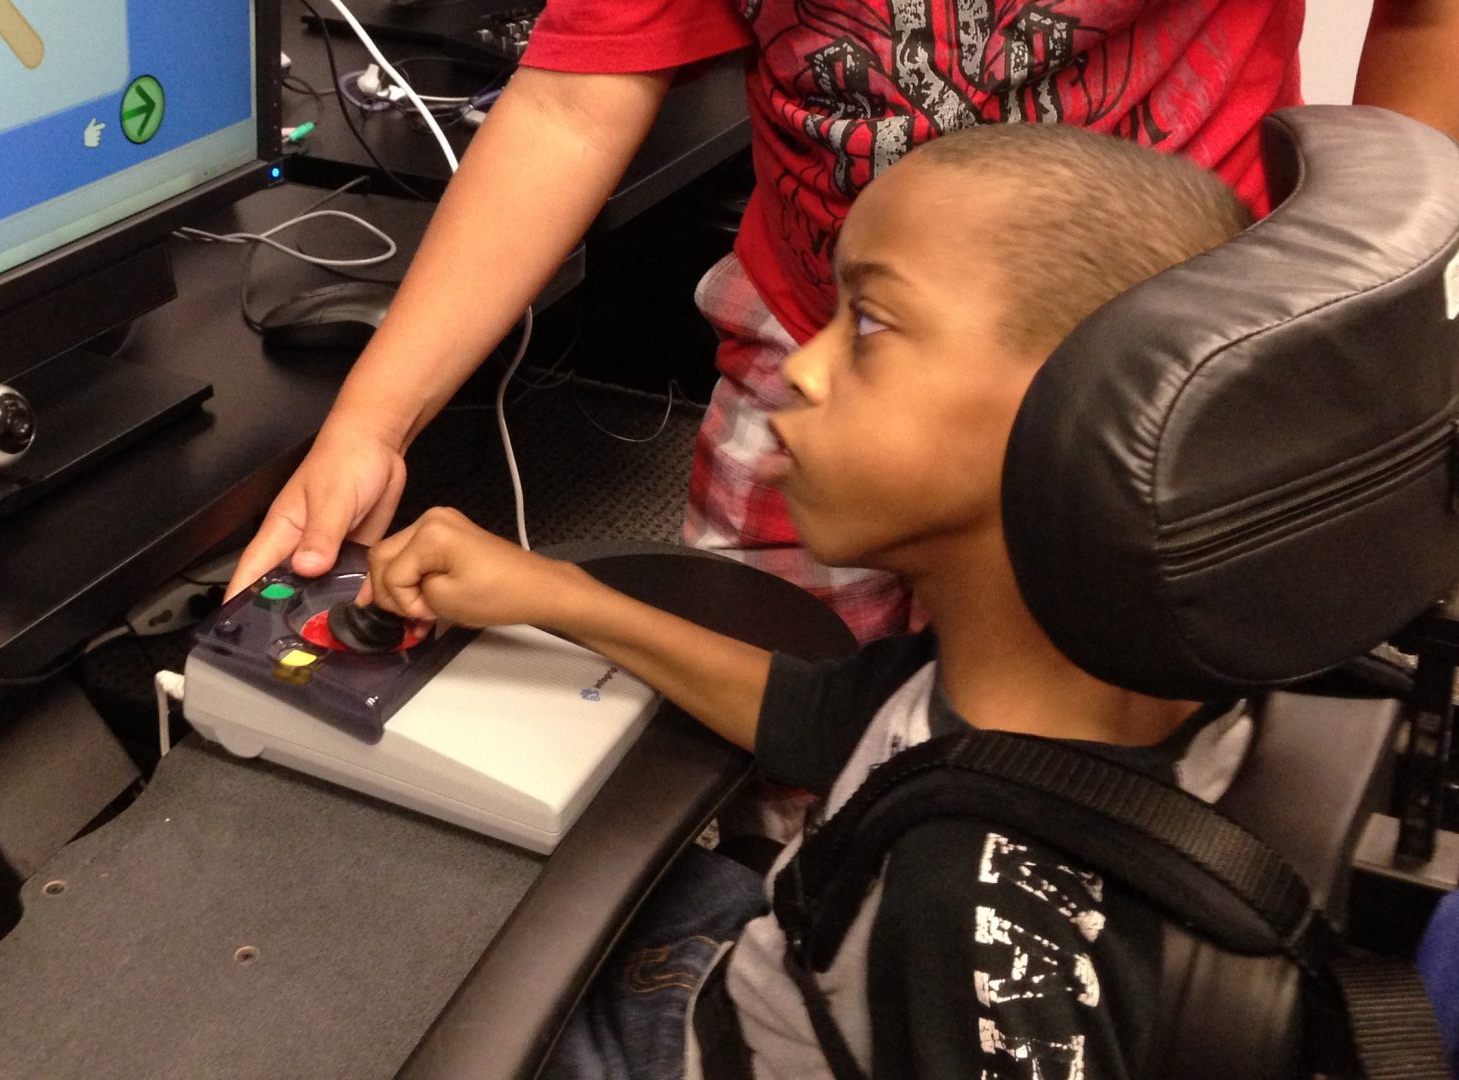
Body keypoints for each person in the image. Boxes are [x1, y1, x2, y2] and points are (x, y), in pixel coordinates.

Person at [353, 124, 1257, 1077]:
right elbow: (822, 717)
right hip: (789, 972)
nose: (803, 369)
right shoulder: (1043, 686)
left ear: (1086, 410)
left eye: (869, 327)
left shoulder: (969, 910)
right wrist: (553, 592)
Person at [228, 0, 1459, 643]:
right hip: (819, 321)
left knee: (1089, 762)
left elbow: (1424, 21)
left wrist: (1345, 331)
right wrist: (371, 422)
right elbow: (569, 100)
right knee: (777, 699)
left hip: (1158, 368)